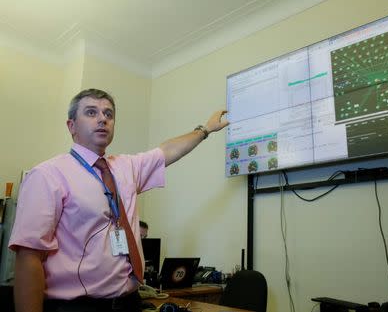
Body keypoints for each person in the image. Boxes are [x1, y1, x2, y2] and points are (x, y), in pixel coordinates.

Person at [8, 88, 229, 312]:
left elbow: (167, 151)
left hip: (128, 301)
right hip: (77, 306)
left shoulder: (125, 167)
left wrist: (206, 129)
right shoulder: (47, 175)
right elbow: (29, 257)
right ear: (71, 126)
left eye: (109, 114)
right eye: (92, 113)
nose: (103, 118)